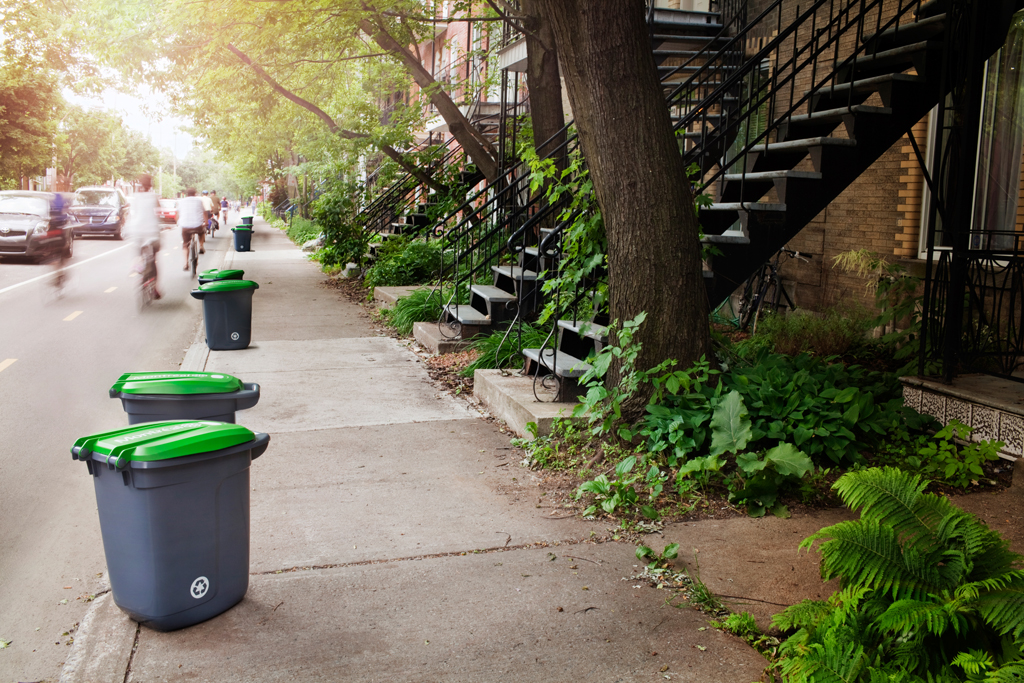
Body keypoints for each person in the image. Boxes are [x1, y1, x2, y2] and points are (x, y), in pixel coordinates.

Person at [128, 174, 161, 298]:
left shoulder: (135, 197)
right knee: (154, 258)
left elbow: (133, 213)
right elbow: (158, 212)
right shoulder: (154, 197)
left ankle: (137, 263)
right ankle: (155, 287)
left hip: (136, 231)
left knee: (138, 250)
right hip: (151, 232)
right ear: (150, 185)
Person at [178, 187, 207, 270]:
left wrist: (179, 222)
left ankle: (185, 263)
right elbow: (204, 212)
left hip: (185, 226)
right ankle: (201, 246)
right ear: (195, 193)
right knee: (202, 232)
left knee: (185, 244)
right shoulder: (199, 201)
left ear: (187, 194)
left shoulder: (181, 201)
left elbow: (178, 213)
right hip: (197, 225)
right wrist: (206, 222)